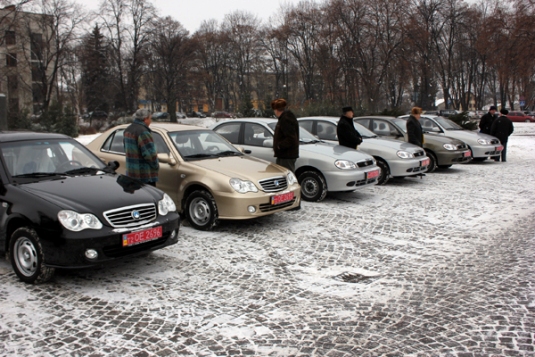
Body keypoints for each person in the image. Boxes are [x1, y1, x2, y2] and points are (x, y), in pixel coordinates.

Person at [123, 108, 159, 186]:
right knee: (149, 197)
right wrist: (156, 166)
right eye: (150, 118)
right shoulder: (143, 132)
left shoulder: (128, 130)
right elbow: (150, 155)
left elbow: (126, 149)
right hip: (144, 176)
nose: (151, 121)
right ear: (145, 119)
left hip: (131, 173)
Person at [271, 98, 299, 173]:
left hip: (286, 155)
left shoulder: (285, 119)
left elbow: (291, 138)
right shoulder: (285, 118)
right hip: (284, 155)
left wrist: (279, 146)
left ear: (276, 110)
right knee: (283, 176)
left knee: (286, 176)